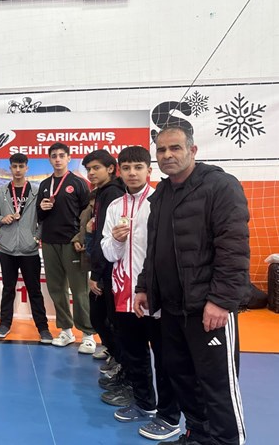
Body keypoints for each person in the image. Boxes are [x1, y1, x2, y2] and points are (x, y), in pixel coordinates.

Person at [134, 126, 248, 445]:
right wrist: (144, 286)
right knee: (181, 376)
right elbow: (154, 248)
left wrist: (221, 300)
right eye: (161, 150)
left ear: (193, 150)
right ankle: (199, 436)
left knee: (217, 384)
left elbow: (234, 248)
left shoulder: (220, 186)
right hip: (172, 308)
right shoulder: (161, 193)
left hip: (207, 308)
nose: (167, 155)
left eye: (175, 148)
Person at [100, 146, 181, 441]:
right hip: (123, 292)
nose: (132, 173)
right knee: (133, 354)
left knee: (165, 358)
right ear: (119, 171)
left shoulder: (159, 202)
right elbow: (108, 253)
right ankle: (145, 403)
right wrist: (117, 241)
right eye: (127, 167)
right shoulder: (114, 207)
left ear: (149, 169)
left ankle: (169, 416)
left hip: (156, 296)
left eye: (138, 167)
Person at [36, 143, 95, 350]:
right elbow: (39, 215)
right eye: (54, 156)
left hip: (72, 242)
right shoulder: (45, 184)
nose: (58, 159)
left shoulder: (78, 183)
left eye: (62, 155)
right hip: (49, 242)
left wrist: (82, 238)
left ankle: (88, 333)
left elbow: (87, 214)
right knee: (56, 288)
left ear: (69, 158)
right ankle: (66, 330)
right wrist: (42, 208)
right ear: (49, 159)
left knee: (79, 290)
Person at [0, 153, 51, 343]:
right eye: (14, 166)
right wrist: (2, 219)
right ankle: (4, 324)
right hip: (7, 249)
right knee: (8, 289)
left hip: (29, 249)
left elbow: (43, 218)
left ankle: (43, 328)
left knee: (34, 290)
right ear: (10, 168)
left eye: (21, 166)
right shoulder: (1, 191)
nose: (17, 170)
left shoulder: (36, 191)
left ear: (27, 168)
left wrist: (36, 238)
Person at [85, 149, 126, 375]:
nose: (91, 173)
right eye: (88, 169)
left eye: (96, 168)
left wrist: (96, 274)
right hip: (104, 265)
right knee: (100, 317)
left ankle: (121, 360)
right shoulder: (102, 192)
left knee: (105, 318)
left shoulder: (113, 193)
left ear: (110, 168)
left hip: (109, 268)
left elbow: (105, 237)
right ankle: (115, 352)